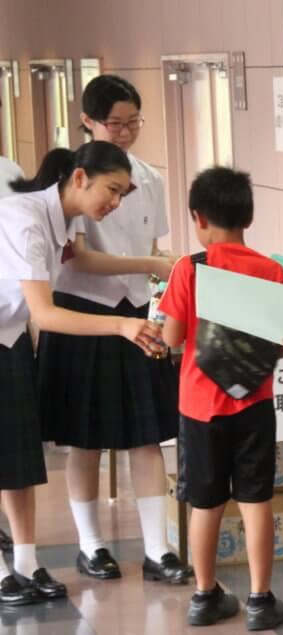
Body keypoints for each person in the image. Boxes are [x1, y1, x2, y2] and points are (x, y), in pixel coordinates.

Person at [36, 74, 186, 584]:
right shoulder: (76, 179)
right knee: (84, 439)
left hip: (137, 311)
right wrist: (151, 263)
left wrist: (162, 271)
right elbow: (77, 258)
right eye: (114, 124)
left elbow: (154, 247)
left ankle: (158, 549)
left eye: (133, 122)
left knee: (147, 436)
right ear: (88, 122)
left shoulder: (151, 178)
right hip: (83, 312)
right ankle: (91, 545)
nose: (124, 133)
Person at [0, 142, 160, 607]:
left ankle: (26, 563)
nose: (115, 202)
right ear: (78, 178)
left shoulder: (62, 218)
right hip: (11, 331)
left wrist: (150, 267)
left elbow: (58, 281)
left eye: (123, 194)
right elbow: (45, 314)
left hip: (8, 337)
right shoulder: (25, 219)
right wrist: (122, 325)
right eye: (112, 190)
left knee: (19, 462)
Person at [159, 167, 283, 630]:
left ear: (199, 218)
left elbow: (172, 337)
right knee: (256, 500)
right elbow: (282, 339)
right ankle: (260, 600)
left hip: (200, 408)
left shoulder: (189, 268)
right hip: (254, 403)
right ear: (248, 217)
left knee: (205, 503)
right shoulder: (271, 270)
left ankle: (204, 595)